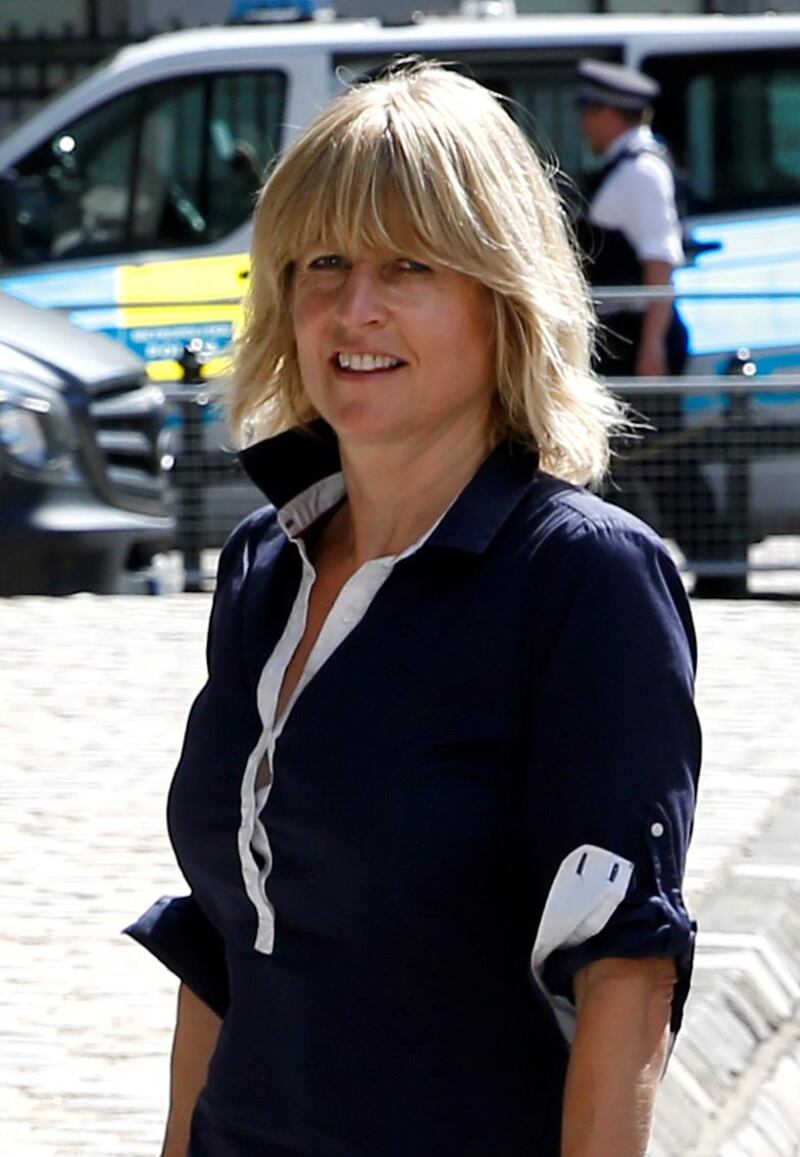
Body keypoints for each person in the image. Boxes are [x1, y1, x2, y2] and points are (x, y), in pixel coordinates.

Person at [126, 63, 701, 1157]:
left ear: (502, 295)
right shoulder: (264, 560)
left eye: (408, 265)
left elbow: (623, 969)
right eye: (323, 262)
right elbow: (223, 937)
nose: (353, 308)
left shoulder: (582, 577)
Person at [576, 58, 734, 595]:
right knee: (642, 454)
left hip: (639, 338)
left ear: (608, 115)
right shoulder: (632, 165)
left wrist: (650, 350)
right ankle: (709, 566)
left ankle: (719, 568)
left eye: (588, 113)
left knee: (661, 456)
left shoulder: (640, 171)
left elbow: (658, 265)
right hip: (629, 336)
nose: (583, 127)